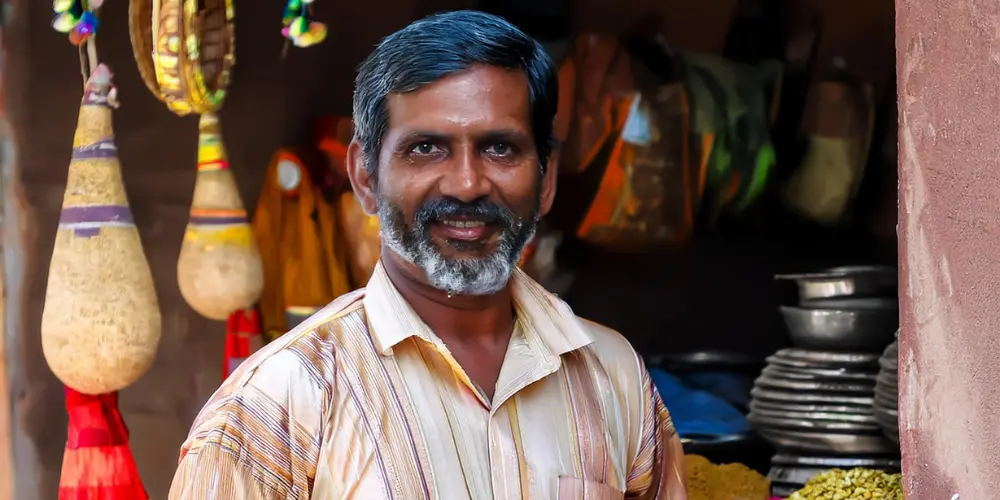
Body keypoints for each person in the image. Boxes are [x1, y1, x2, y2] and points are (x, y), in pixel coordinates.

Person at [168, 10, 687, 499]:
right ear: (366, 178)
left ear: (546, 180)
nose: (466, 184)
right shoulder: (275, 409)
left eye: (500, 148)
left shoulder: (612, 374)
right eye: (425, 148)